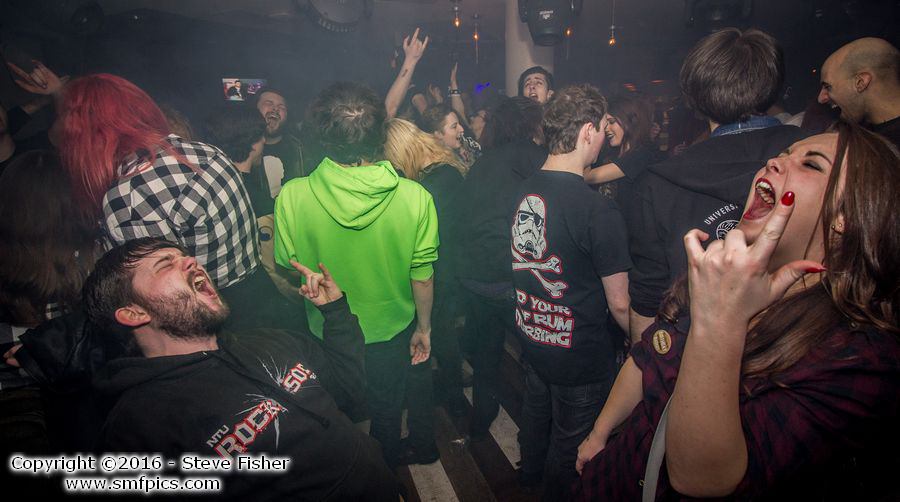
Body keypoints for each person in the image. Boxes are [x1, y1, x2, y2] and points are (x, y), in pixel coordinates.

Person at [575, 122, 900, 501]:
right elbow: (649, 355)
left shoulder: (860, 359)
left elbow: (699, 478)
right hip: (616, 475)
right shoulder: (722, 273)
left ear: (847, 217)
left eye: (811, 164)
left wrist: (719, 318)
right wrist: (599, 433)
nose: (775, 161)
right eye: (785, 153)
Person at [83, 238, 400, 501]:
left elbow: (347, 388)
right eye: (165, 264)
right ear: (134, 313)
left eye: (184, 255)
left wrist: (336, 312)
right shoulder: (137, 429)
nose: (191, 261)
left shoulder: (270, 340)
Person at [54, 73, 304, 334]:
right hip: (258, 296)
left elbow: (163, 299)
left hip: (215, 320)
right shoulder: (205, 152)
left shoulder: (129, 197)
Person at [274, 82, 439, 468]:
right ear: (380, 134)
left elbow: (288, 269)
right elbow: (422, 277)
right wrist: (424, 328)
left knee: (329, 417)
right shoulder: (415, 197)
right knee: (386, 412)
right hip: (390, 330)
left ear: (321, 135)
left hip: (327, 333)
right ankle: (385, 479)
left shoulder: (292, 196)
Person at [627, 28, 806, 343]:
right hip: (803, 344)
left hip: (697, 348)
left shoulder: (656, 182)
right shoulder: (821, 156)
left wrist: (645, 365)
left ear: (694, 98)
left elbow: (648, 299)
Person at [511, 84, 631, 499]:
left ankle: (528, 478)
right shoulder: (597, 209)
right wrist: (641, 342)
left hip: (533, 336)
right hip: (580, 357)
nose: (604, 140)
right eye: (602, 129)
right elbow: (620, 303)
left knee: (536, 413)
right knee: (570, 449)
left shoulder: (521, 188)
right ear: (586, 131)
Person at [456, 96, 546, 439]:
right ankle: (536, 437)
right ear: (529, 123)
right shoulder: (530, 154)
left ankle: (481, 419)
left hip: (472, 275)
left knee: (486, 352)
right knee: (538, 356)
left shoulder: (485, 161)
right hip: (506, 277)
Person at [384, 118, 469, 423]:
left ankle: (453, 398)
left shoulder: (438, 180)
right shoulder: (436, 168)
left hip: (441, 268)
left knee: (440, 333)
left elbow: (424, 230)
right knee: (440, 332)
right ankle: (450, 393)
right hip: (442, 264)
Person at [584, 94, 664, 235]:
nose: (606, 129)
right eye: (605, 124)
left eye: (612, 122)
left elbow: (588, 177)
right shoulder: (611, 154)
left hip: (630, 237)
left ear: (629, 121)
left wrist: (587, 141)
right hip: (608, 231)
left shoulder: (640, 155)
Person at [817, 37, 900, 147]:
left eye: (827, 87)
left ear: (861, 82)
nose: (821, 98)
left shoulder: (881, 146)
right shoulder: (863, 135)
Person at [255, 88, 305, 179]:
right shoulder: (242, 145)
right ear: (255, 108)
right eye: (269, 103)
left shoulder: (298, 148)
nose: (275, 109)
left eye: (281, 107)